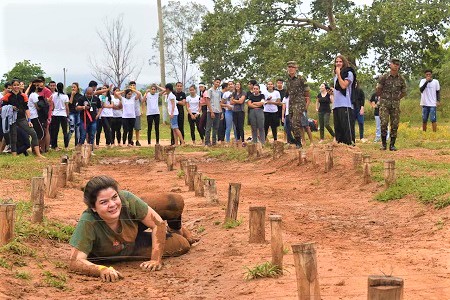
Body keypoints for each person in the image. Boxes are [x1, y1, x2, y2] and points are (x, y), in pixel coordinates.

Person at [68, 175, 195, 282]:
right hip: (125, 247)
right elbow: (75, 261)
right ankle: (176, 235)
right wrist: (102, 269)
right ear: (93, 208)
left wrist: (155, 259)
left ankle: (176, 229)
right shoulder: (88, 222)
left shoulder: (126, 199)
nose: (112, 204)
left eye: (114, 197)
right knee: (183, 244)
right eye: (103, 202)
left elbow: (158, 223)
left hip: (133, 224)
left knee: (174, 202)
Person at [1, 79, 45, 158]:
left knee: (33, 133)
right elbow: (2, 108)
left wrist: (29, 120)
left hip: (22, 119)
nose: (16, 86)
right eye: (14, 85)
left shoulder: (23, 96)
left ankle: (38, 154)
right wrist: (11, 107)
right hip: (12, 119)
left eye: (18, 85)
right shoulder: (7, 96)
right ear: (11, 86)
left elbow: (26, 108)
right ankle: (14, 155)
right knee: (13, 136)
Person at [377, 58, 407, 151]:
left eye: (397, 64)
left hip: (395, 105)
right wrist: (383, 98)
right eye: (394, 64)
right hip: (384, 104)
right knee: (384, 123)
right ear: (390, 65)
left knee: (394, 124)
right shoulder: (384, 77)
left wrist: (397, 98)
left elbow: (404, 91)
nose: (395, 66)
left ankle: (392, 145)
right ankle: (383, 144)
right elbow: (378, 89)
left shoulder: (401, 78)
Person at [286, 61, 310, 148]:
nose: (291, 68)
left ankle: (298, 143)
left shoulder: (301, 78)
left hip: (299, 103)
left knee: (295, 122)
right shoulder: (287, 80)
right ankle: (296, 140)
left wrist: (305, 106)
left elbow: (307, 93)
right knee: (291, 123)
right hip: (291, 104)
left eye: (292, 67)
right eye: (289, 67)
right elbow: (288, 92)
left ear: (296, 68)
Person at [332, 55, 355, 146]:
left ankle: (350, 145)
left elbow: (343, 86)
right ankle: (340, 146)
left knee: (346, 129)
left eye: (340, 62)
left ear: (344, 62)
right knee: (338, 128)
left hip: (345, 104)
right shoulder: (336, 76)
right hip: (336, 104)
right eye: (336, 62)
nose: (338, 63)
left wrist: (338, 74)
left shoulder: (349, 73)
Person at [50, 82, 69, 150]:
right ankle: (66, 146)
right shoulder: (65, 96)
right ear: (63, 87)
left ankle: (55, 146)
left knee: (55, 131)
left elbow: (53, 105)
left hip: (55, 114)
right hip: (63, 114)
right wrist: (68, 114)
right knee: (65, 131)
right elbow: (66, 107)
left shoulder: (54, 95)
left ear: (56, 87)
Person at [204, 78, 222, 146]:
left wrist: (221, 112)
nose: (217, 84)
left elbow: (220, 102)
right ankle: (207, 142)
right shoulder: (210, 90)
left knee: (216, 127)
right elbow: (207, 101)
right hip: (211, 111)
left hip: (217, 111)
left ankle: (214, 142)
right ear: (214, 82)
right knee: (208, 127)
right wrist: (211, 111)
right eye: (217, 82)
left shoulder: (218, 92)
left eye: (219, 83)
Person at [68, 82, 83, 147]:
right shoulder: (69, 95)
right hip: (71, 113)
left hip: (78, 113)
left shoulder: (80, 96)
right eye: (72, 87)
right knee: (71, 129)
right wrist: (72, 95)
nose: (73, 88)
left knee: (78, 130)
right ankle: (66, 144)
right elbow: (69, 104)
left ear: (77, 88)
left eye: (74, 87)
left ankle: (77, 145)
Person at [231, 82, 246, 146]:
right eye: (236, 85)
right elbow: (231, 102)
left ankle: (242, 140)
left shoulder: (243, 92)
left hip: (241, 111)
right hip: (234, 111)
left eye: (238, 85)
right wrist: (236, 100)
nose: (237, 86)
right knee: (236, 126)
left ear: (240, 86)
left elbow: (241, 101)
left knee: (240, 126)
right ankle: (237, 140)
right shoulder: (233, 93)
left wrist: (234, 100)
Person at [128, 81, 142, 146]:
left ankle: (137, 140)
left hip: (137, 113)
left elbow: (142, 101)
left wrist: (142, 110)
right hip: (129, 114)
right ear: (129, 86)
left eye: (134, 85)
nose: (132, 86)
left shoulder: (138, 93)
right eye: (131, 85)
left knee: (137, 128)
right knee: (130, 128)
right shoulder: (128, 93)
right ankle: (131, 140)